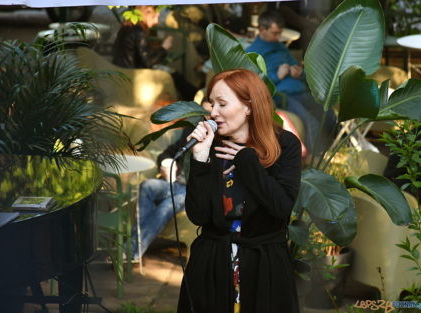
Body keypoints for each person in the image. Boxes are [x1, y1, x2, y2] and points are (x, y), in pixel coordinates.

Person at [177, 69, 301, 313]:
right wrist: (200, 161)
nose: (213, 113)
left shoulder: (285, 145)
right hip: (212, 266)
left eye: (222, 104)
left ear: (249, 106)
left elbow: (281, 206)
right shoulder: (211, 146)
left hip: (264, 267)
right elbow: (199, 216)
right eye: (212, 104)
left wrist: (247, 161)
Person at [132, 99, 212, 260]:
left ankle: (132, 250)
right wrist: (166, 163)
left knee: (167, 206)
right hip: (174, 182)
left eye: (209, 115)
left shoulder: (216, 139)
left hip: (191, 189)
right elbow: (169, 152)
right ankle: (135, 247)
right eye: (203, 115)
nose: (206, 119)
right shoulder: (191, 130)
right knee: (147, 186)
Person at [246, 10, 335, 154]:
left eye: (279, 33)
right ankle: (316, 159)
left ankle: (333, 150)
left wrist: (299, 72)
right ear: (262, 29)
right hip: (282, 97)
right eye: (274, 33)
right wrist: (277, 76)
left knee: (328, 113)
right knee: (310, 122)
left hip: (301, 91)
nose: (278, 37)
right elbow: (255, 85)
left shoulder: (282, 48)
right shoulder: (252, 52)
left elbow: (300, 70)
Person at [113, 5, 198, 101]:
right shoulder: (139, 31)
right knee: (173, 74)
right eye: (155, 17)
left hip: (122, 71)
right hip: (133, 74)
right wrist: (164, 47)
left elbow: (139, 54)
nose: (157, 21)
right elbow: (149, 61)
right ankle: (195, 98)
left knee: (172, 72)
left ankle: (193, 96)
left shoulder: (126, 27)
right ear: (147, 13)